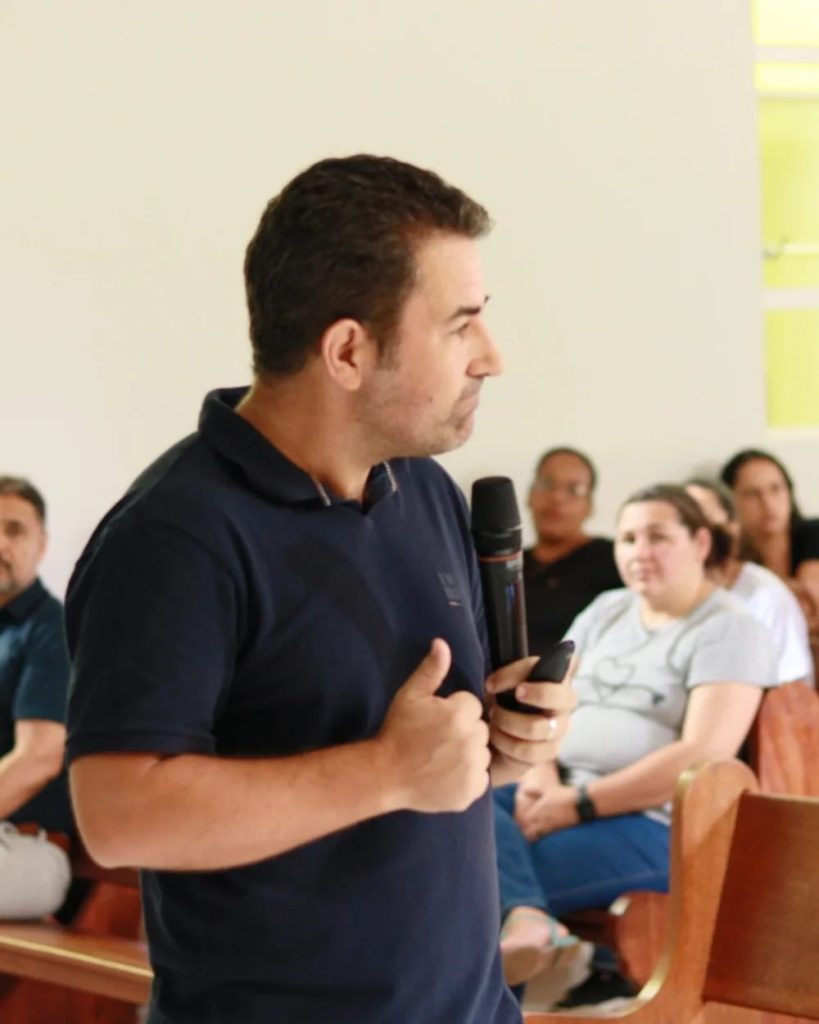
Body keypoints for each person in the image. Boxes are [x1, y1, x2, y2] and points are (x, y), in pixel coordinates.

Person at [65, 155, 576, 1024]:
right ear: (347, 351)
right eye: (459, 327)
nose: (492, 356)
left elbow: (431, 762)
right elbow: (120, 816)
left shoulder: (422, 489)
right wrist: (385, 772)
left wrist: (501, 743)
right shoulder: (175, 536)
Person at [494, 484, 776, 990]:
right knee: (453, 806)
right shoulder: (607, 609)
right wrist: (541, 778)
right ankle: (528, 920)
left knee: (479, 878)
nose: (639, 552)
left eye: (657, 537)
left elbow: (702, 756)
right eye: (627, 539)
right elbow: (547, 699)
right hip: (558, 791)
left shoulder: (732, 628)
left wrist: (578, 805)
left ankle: (523, 925)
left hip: (657, 824)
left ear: (700, 543)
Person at [0, 476, 72, 919]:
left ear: (41, 545)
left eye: (14, 530)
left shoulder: (52, 631)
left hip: (28, 847)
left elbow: (40, 759)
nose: (0, 543)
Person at [685, 478, 813, 686]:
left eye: (704, 522)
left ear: (733, 527)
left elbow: (791, 686)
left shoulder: (765, 595)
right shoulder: (658, 598)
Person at [524, 447, 621, 655]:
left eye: (574, 490)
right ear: (529, 495)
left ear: (590, 506)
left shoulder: (615, 561)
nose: (557, 498)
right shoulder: (504, 565)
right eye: (547, 484)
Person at [720, 448, 819, 632]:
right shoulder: (727, 557)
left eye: (776, 489)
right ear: (730, 502)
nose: (768, 503)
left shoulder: (813, 534)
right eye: (752, 494)